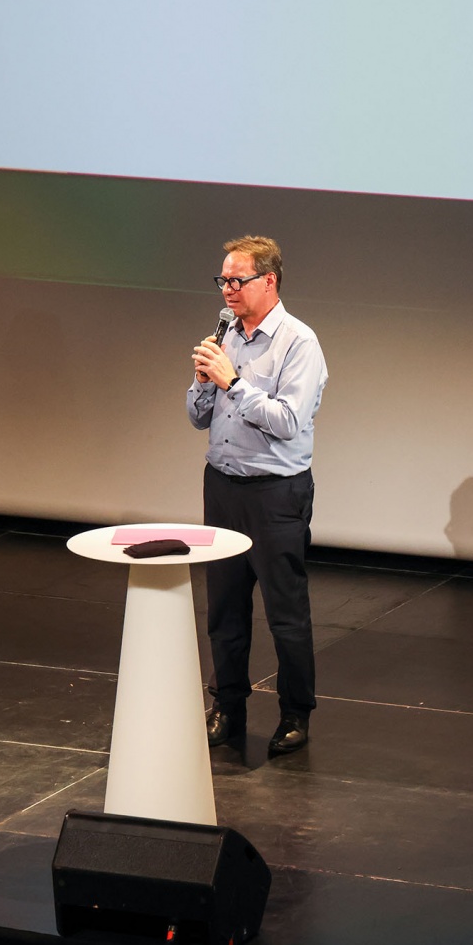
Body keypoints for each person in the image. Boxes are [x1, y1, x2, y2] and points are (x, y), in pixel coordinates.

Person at [187, 235, 328, 757]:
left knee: (285, 612)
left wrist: (233, 382)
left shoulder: (299, 343)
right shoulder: (225, 336)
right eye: (222, 280)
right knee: (224, 609)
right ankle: (227, 706)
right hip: (223, 487)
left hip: (276, 494)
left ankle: (295, 713)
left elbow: (288, 422)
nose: (227, 289)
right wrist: (203, 382)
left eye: (237, 280)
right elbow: (197, 417)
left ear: (269, 281)